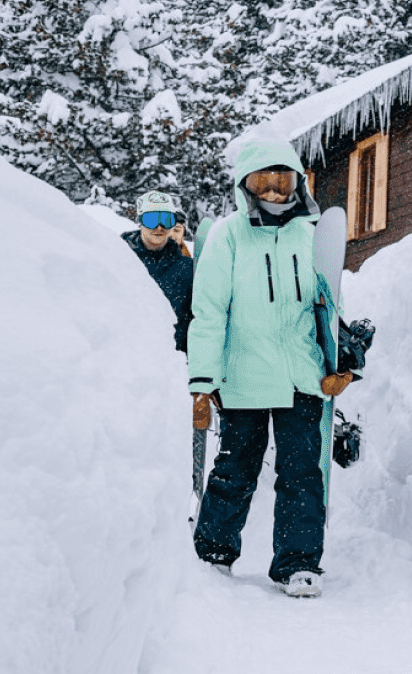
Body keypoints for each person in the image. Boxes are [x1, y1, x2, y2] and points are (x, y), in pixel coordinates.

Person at [187, 141, 355, 598]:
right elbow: (208, 313)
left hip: (302, 377)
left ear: (299, 183)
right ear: (245, 186)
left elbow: (328, 310)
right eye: (264, 182)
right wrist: (203, 384)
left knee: (302, 474)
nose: (276, 193)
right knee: (234, 470)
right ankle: (214, 554)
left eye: (284, 182)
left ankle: (297, 563)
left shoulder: (312, 235)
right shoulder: (228, 236)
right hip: (243, 378)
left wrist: (341, 364)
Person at [122, 190, 194, 352]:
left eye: (166, 220)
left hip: (173, 362)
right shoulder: (118, 259)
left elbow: (196, 320)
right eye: (151, 219)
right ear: (139, 221)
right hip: (126, 358)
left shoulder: (188, 269)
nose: (159, 227)